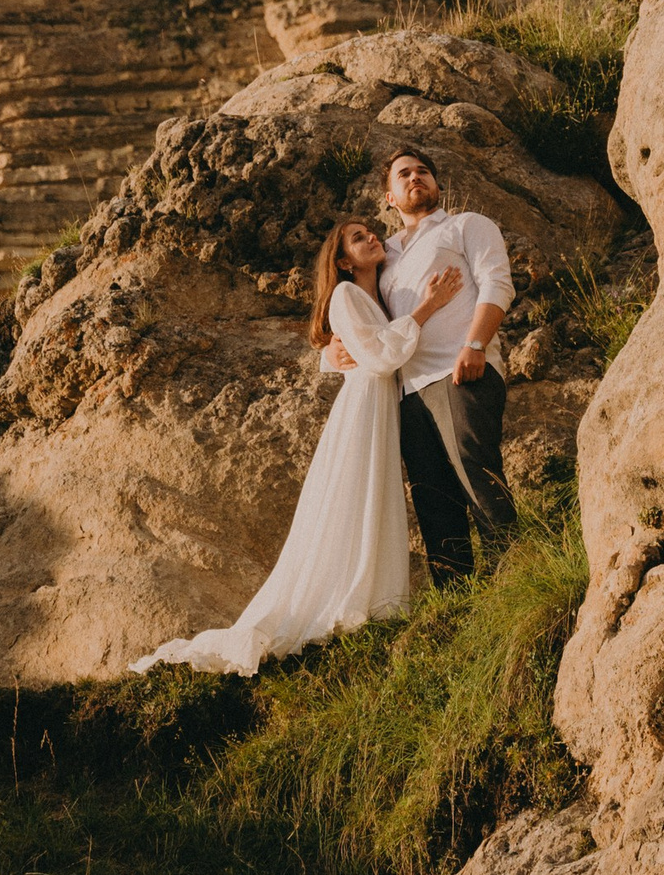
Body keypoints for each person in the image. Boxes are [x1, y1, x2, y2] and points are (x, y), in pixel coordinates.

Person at [129, 219, 465, 675]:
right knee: (354, 499)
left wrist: (333, 353)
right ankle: (345, 600)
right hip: (365, 407)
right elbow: (383, 356)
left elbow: (365, 346)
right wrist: (428, 307)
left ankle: (371, 598)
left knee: (372, 499)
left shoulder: (377, 296)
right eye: (358, 237)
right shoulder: (346, 294)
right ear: (342, 261)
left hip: (383, 404)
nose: (371, 237)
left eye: (372, 232)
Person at [326, 148, 516, 581]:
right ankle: (456, 600)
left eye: (423, 171)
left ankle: (516, 575)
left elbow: (497, 284)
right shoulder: (384, 252)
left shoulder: (466, 225)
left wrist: (476, 344)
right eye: (404, 174)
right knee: (432, 498)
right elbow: (358, 306)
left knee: (477, 473)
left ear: (436, 184)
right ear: (389, 198)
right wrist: (331, 351)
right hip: (407, 391)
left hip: (460, 369)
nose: (415, 177)